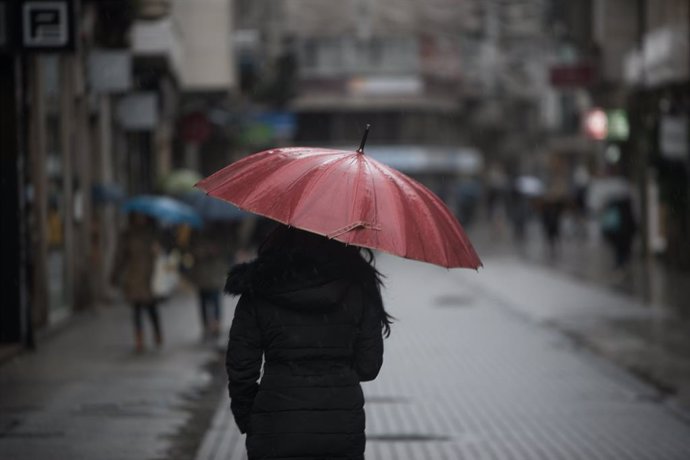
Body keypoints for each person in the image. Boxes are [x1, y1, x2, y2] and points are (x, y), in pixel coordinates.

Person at [223, 225, 392, 459]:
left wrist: (250, 419)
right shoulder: (358, 285)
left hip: (276, 426)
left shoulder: (260, 285)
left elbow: (241, 367)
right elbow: (368, 366)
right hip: (340, 429)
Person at [112, 212, 163, 352]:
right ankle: (139, 339)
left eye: (142, 216)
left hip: (149, 277)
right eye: (137, 216)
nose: (140, 219)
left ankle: (157, 333)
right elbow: (120, 257)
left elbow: (162, 254)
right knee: (137, 309)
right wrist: (115, 275)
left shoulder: (152, 234)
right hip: (134, 277)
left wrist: (158, 250)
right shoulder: (128, 235)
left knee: (152, 308)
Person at [184, 224, 235, 339]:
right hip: (201, 273)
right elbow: (191, 250)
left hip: (215, 273)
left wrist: (218, 250)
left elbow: (228, 248)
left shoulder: (220, 229)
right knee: (203, 300)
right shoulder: (195, 231)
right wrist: (206, 251)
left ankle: (216, 324)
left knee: (215, 299)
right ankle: (206, 325)